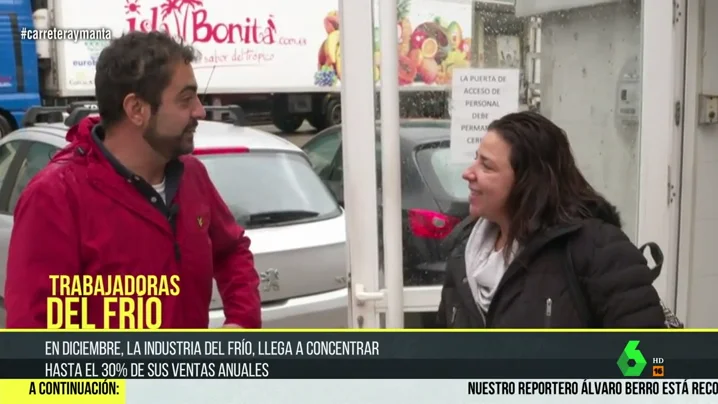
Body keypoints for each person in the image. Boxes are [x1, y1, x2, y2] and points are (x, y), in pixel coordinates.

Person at [4, 31, 261, 329]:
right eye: (185, 100)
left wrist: (241, 322)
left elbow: (232, 251)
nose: (200, 112)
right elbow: (35, 339)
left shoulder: (192, 176)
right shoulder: (55, 197)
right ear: (136, 109)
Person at [436, 111, 666, 328]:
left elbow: (644, 356)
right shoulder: (463, 253)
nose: (468, 173)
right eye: (476, 159)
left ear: (528, 182)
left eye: (486, 166)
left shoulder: (596, 249)